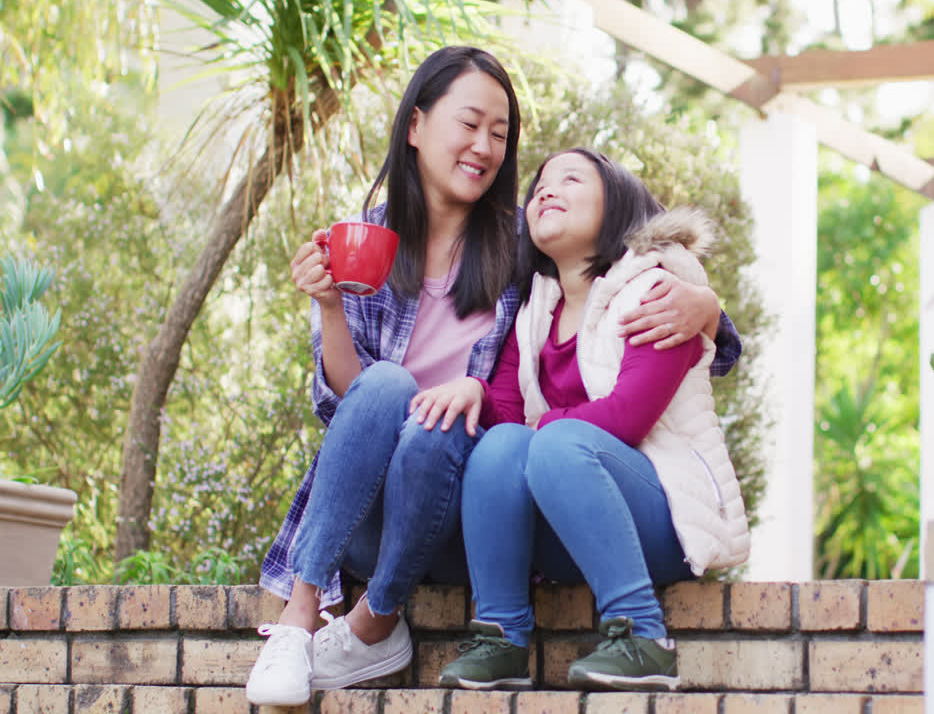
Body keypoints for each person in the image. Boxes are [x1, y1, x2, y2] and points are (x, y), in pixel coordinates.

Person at [244, 49, 742, 707]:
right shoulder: (370, 243)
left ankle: (381, 620)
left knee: (474, 434)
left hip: (470, 502)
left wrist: (707, 307)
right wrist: (332, 306)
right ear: (416, 125)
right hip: (383, 505)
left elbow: (645, 307)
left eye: (500, 135)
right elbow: (346, 405)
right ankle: (303, 620)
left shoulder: (520, 254)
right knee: (392, 388)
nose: (485, 147)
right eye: (469, 124)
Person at [419, 148, 750, 692]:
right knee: (501, 444)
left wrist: (544, 432)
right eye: (539, 186)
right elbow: (506, 415)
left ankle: (644, 637)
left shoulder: (658, 289)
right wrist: (471, 389)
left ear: (616, 201)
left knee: (556, 440)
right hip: (571, 522)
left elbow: (626, 417)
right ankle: (501, 637)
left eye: (570, 179)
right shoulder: (534, 313)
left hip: (666, 516)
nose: (545, 191)